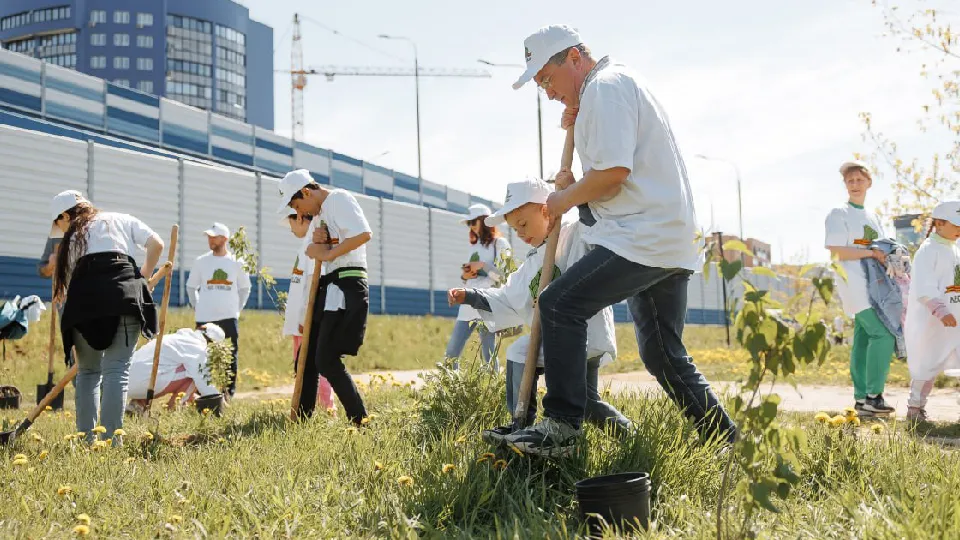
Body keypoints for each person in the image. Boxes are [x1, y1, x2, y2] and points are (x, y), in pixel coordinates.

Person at [503, 25, 736, 456]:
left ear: (575, 58)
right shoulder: (609, 88)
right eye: (540, 86)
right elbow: (606, 175)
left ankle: (562, 428)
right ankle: (729, 442)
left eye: (548, 80)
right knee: (663, 354)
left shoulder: (604, 89)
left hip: (641, 238)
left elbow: (612, 176)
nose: (548, 93)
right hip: (666, 238)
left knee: (559, 304)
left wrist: (560, 199)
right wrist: (576, 166)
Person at [448, 179, 633, 444]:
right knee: (584, 400)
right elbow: (508, 297)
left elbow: (598, 225)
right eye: (514, 229)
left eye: (523, 224)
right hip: (556, 340)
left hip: (586, 334)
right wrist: (470, 295)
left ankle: (522, 423)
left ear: (547, 210)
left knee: (525, 354)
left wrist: (574, 194)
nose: (520, 234)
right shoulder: (534, 261)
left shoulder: (575, 234)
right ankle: (628, 434)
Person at [51, 190, 162, 444]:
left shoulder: (72, 240)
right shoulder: (120, 219)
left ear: (66, 215)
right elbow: (157, 244)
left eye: (59, 223)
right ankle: (112, 442)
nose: (60, 229)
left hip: (83, 304)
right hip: (123, 294)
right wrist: (144, 277)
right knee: (116, 371)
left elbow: (70, 286)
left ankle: (87, 441)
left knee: (88, 373)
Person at [279, 169, 372, 425]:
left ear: (307, 191)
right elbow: (311, 250)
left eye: (299, 205)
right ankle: (301, 419)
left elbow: (363, 234)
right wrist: (317, 245)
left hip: (347, 281)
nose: (301, 214)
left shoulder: (339, 199)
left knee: (326, 359)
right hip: (328, 284)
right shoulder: (318, 214)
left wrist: (329, 254)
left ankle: (360, 420)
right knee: (306, 355)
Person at [825, 160, 896, 417]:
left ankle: (861, 400)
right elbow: (836, 250)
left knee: (864, 339)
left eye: (859, 179)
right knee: (883, 334)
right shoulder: (838, 213)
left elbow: (882, 248)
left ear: (869, 182)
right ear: (845, 185)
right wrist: (870, 253)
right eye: (850, 181)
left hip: (875, 285)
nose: (855, 184)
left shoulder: (873, 217)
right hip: (852, 283)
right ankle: (874, 396)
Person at [904, 201, 960, 422]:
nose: (959, 230)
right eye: (956, 225)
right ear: (939, 223)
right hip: (932, 322)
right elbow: (924, 286)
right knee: (926, 364)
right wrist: (940, 310)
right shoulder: (928, 250)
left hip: (955, 320)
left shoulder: (954, 249)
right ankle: (915, 408)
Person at [185, 222, 251, 398]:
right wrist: (197, 306)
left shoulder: (237, 262)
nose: (210, 240)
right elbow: (191, 287)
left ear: (225, 239)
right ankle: (203, 393)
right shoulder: (201, 261)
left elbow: (245, 288)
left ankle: (228, 393)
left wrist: (237, 310)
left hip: (229, 317)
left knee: (230, 356)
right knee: (201, 356)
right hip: (204, 318)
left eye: (214, 237)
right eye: (209, 237)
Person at [444, 203, 511, 371]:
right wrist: (465, 276)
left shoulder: (500, 244)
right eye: (469, 224)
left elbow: (504, 276)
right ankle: (454, 393)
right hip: (468, 303)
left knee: (488, 356)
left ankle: (491, 394)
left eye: (473, 222)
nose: (471, 227)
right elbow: (467, 278)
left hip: (488, 302)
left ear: (484, 221)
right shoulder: (474, 247)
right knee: (451, 353)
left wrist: (483, 267)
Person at [281, 208, 335, 413]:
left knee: (313, 366)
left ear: (301, 218)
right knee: (301, 367)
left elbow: (314, 284)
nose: (291, 229)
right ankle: (306, 407)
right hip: (299, 322)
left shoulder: (311, 248)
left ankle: (327, 408)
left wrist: (306, 316)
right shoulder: (303, 247)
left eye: (291, 223)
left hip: (306, 321)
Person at [125, 324, 226, 413]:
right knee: (193, 376)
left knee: (168, 368)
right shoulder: (198, 347)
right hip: (145, 384)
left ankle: (138, 404)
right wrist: (219, 402)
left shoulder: (175, 337)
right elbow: (204, 384)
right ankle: (174, 409)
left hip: (125, 384)